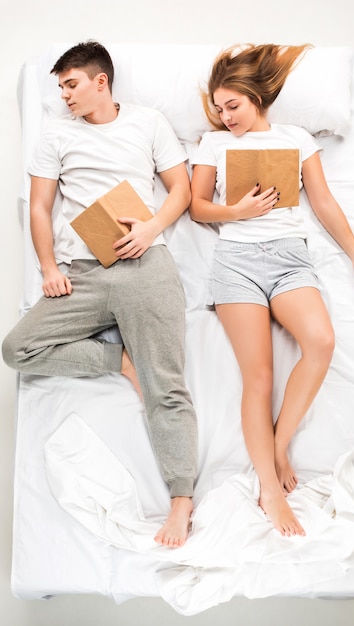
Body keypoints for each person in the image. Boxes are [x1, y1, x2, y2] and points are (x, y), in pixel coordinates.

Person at [2, 40, 198, 548]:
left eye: (71, 84)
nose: (64, 95)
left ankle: (181, 501)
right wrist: (48, 267)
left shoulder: (148, 122)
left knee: (167, 386)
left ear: (100, 81)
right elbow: (40, 208)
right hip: (82, 272)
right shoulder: (56, 135)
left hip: (143, 263)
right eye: (60, 87)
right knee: (17, 349)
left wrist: (151, 228)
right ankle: (119, 362)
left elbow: (181, 189)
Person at [190, 43, 354, 537]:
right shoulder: (213, 145)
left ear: (257, 98)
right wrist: (237, 212)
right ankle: (270, 490)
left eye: (233, 106)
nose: (225, 116)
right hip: (236, 264)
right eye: (219, 108)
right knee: (260, 376)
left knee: (321, 342)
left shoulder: (294, 138)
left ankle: (276, 447)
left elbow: (323, 200)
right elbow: (197, 207)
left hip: (290, 259)